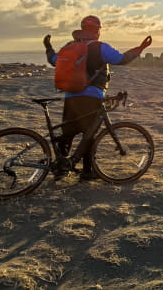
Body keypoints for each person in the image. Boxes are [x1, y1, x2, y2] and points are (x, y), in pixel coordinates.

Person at [44, 15, 152, 180]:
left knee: (68, 133)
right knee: (89, 134)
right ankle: (88, 172)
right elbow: (121, 59)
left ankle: (60, 167)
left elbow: (53, 60)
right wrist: (141, 48)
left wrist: (48, 46)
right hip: (92, 95)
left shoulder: (70, 46)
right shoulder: (99, 47)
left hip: (71, 95)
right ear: (97, 30)